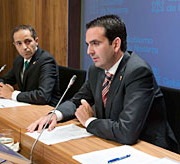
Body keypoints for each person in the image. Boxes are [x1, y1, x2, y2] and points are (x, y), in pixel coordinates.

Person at [27, 15, 179, 152]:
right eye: (88, 44)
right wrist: (55, 115)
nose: (89, 51)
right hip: (113, 143)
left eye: (95, 44)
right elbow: (77, 101)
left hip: (149, 149)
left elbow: (126, 132)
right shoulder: (97, 70)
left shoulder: (138, 72)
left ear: (116, 44)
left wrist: (89, 121)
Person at [0, 25, 60, 107]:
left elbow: (43, 96)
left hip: (46, 109)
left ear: (36, 41)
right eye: (19, 43)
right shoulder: (19, 60)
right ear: (15, 45)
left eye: (28, 41)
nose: (24, 47)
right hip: (26, 105)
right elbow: (5, 79)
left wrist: (11, 94)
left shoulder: (46, 61)